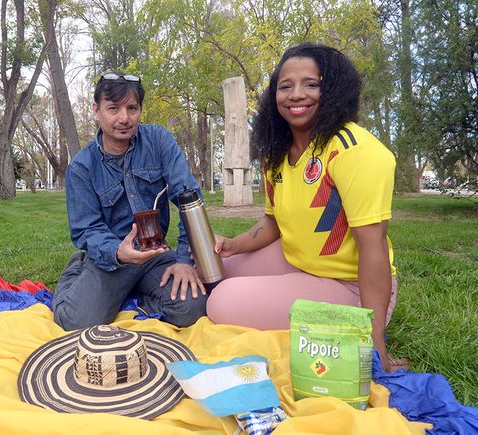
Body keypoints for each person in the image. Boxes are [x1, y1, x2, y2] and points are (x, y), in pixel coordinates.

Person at [206, 43, 406, 372]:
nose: (296, 94)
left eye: (310, 84)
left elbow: (374, 249)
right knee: (215, 270)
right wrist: (232, 245)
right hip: (301, 262)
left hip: (353, 289)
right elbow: (272, 224)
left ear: (332, 90)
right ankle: (287, 287)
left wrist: (375, 343)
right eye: (286, 86)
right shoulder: (276, 154)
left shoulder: (356, 151)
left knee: (220, 301)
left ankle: (356, 326)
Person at [53, 71, 208, 331]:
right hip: (111, 259)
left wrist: (183, 260)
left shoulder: (159, 141)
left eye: (132, 108)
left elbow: (189, 198)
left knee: (193, 308)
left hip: (155, 255)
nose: (124, 118)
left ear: (140, 110)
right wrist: (118, 253)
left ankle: (140, 293)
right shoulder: (82, 167)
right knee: (75, 321)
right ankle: (79, 269)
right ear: (96, 110)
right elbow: (85, 228)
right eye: (113, 108)